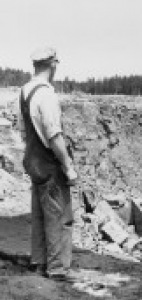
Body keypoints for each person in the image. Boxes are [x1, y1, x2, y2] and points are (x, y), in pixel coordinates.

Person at [18, 47, 78, 280]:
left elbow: (24, 131)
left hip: (32, 160)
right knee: (59, 216)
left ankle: (38, 260)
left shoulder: (24, 92)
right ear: (52, 64)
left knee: (40, 214)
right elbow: (54, 136)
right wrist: (68, 167)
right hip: (49, 163)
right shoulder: (47, 95)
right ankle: (57, 268)